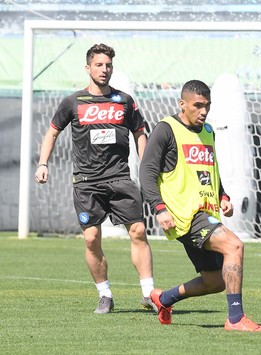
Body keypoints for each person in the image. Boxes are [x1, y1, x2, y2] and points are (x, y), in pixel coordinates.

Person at [35, 43, 156, 314]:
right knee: (91, 238)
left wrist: (146, 167)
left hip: (120, 177)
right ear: (88, 68)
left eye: (108, 65)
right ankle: (105, 295)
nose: (105, 69)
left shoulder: (125, 101)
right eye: (99, 65)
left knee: (138, 231)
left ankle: (149, 293)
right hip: (87, 182)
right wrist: (43, 163)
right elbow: (52, 132)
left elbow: (140, 133)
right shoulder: (72, 102)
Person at [139, 80, 261, 332]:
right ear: (182, 104)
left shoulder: (208, 131)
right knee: (234, 245)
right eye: (197, 106)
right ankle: (235, 319)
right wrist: (159, 208)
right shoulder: (166, 129)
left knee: (215, 282)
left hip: (205, 211)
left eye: (207, 106)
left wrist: (222, 195)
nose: (203, 111)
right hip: (183, 213)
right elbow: (147, 171)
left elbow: (211, 168)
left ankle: (164, 299)